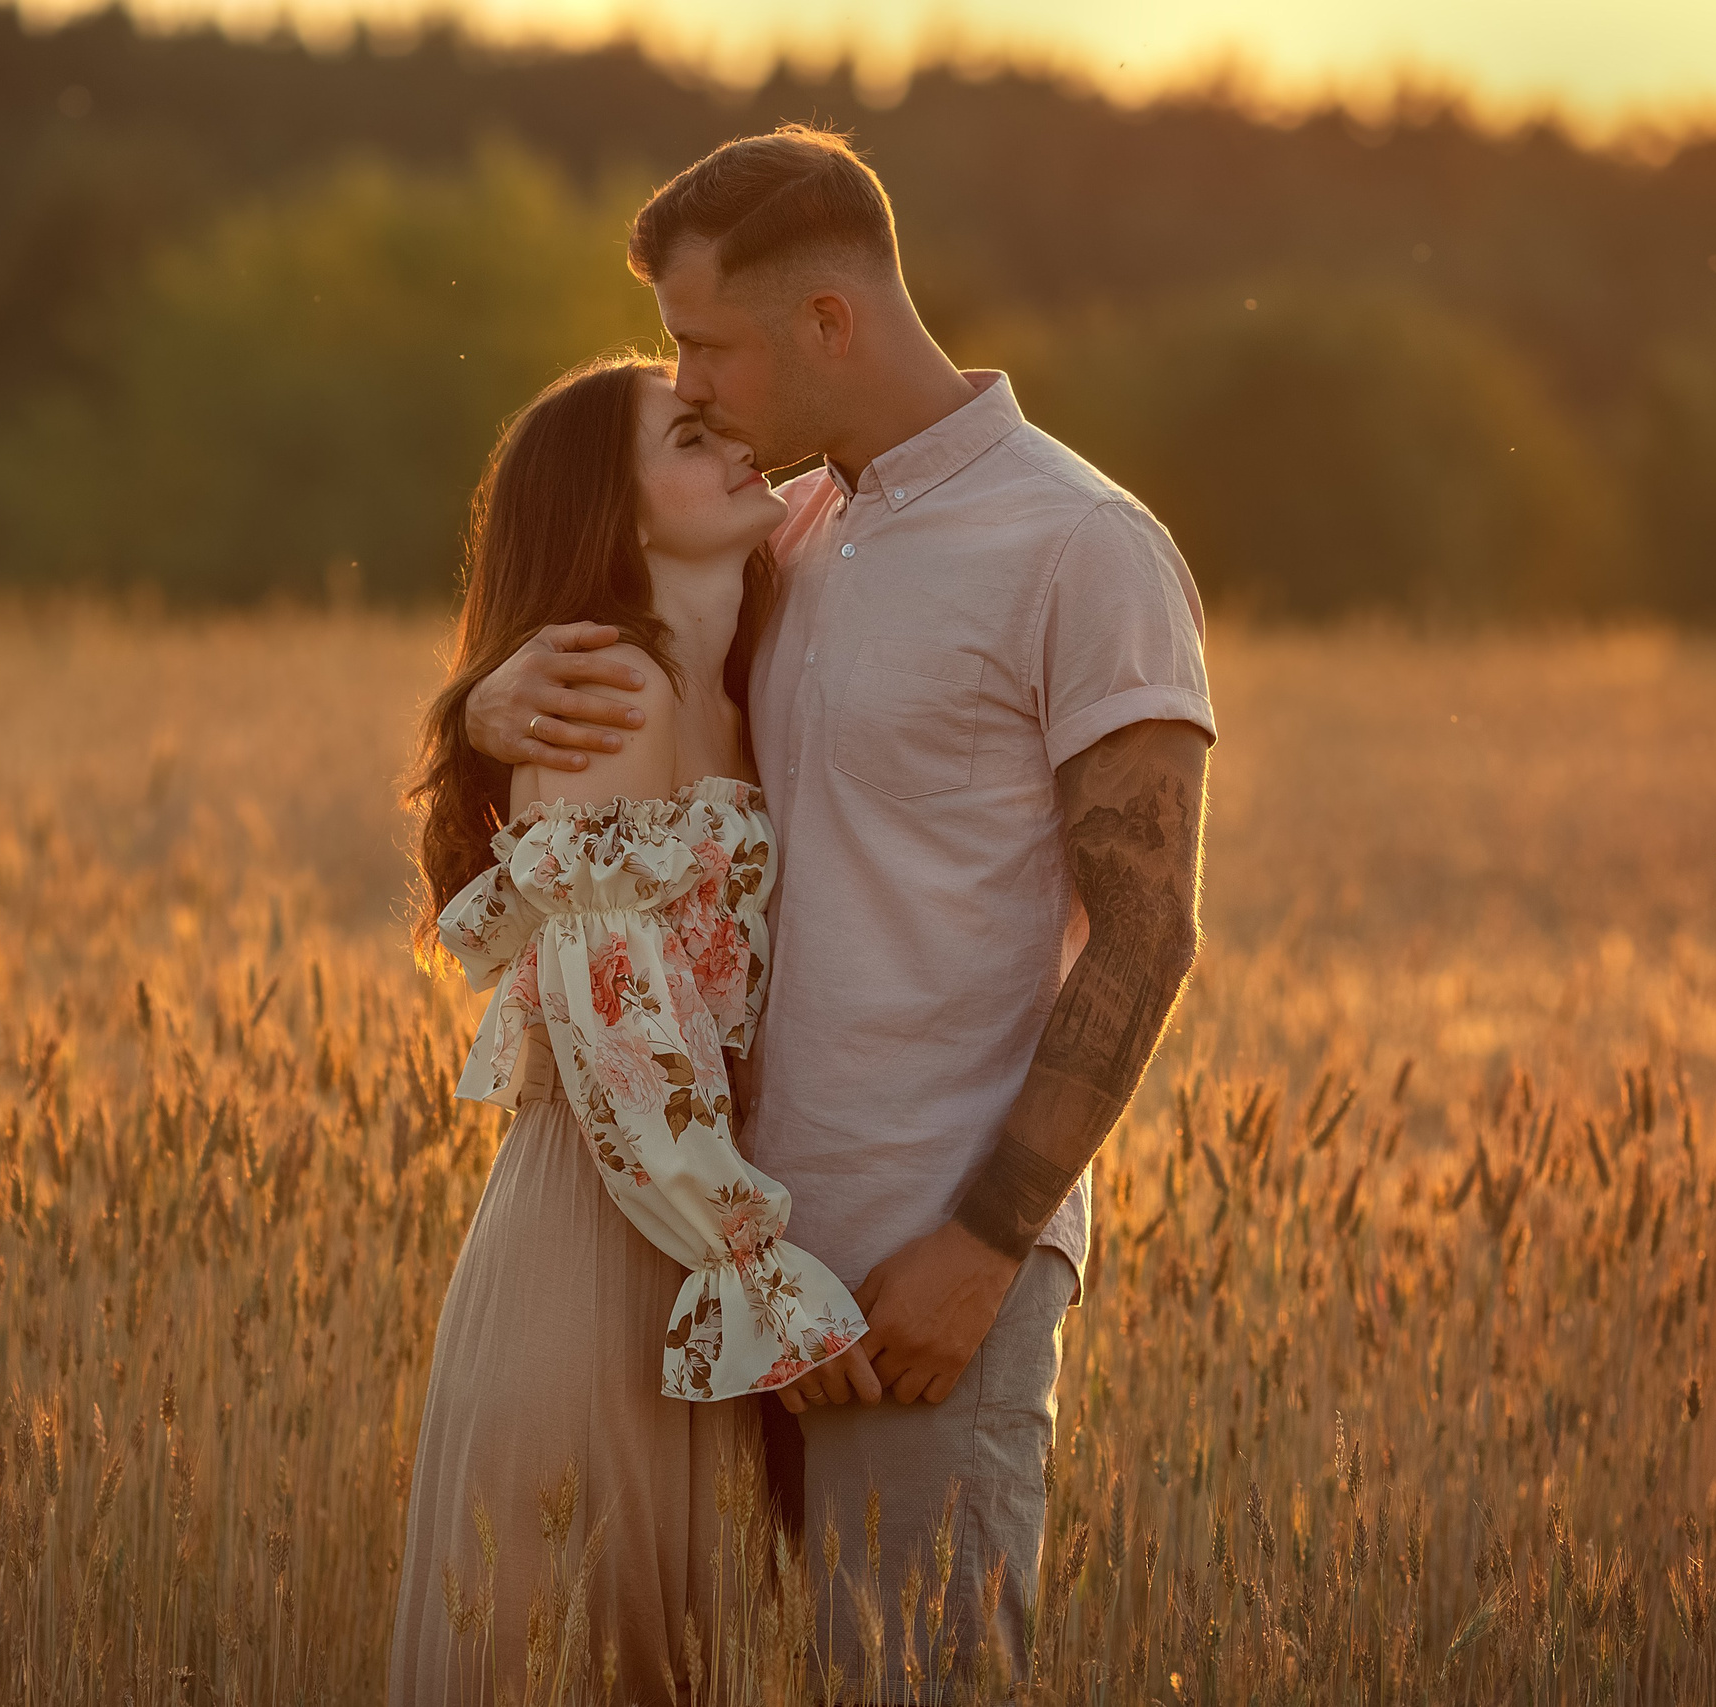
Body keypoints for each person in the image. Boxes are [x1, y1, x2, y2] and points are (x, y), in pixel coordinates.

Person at [461, 126, 1217, 1694]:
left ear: (828, 323)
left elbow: (1150, 931)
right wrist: (486, 706)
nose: (692, 385)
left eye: (708, 344)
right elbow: (627, 822)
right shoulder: (797, 531)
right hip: (715, 1274)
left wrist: (987, 1243)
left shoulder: (1082, 547)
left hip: (916, 1281)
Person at [392, 353, 883, 1703]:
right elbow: (613, 1034)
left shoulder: (727, 680)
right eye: (689, 433)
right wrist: (758, 1270)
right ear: (616, 508)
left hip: (678, 1235)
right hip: (606, 1233)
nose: (738, 444)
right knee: (570, 1651)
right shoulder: (610, 690)